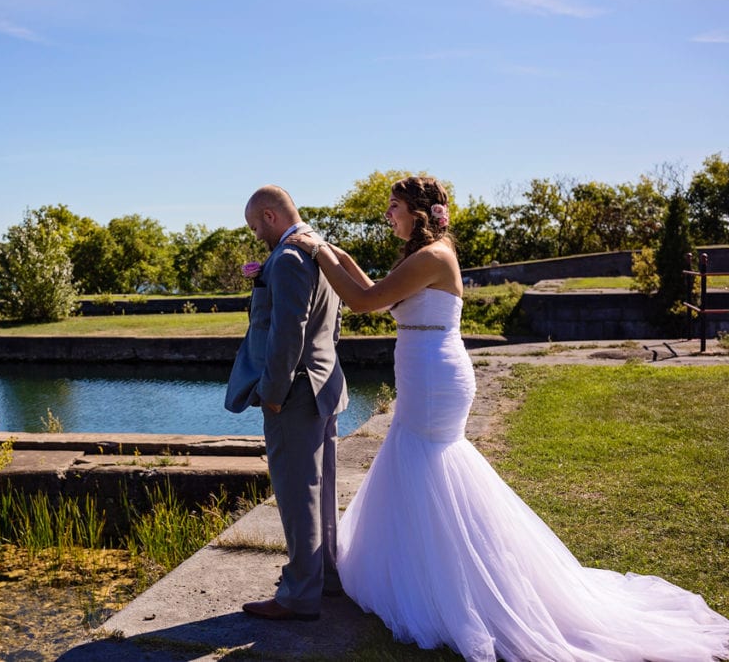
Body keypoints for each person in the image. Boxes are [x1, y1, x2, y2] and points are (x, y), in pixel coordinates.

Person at [287, 175, 729, 661]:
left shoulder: (434, 258)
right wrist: (329, 248)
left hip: (434, 379)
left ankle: (457, 583)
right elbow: (374, 288)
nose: (388, 214)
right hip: (427, 373)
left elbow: (364, 302)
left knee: (428, 464)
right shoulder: (422, 256)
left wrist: (316, 250)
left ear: (418, 213)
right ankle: (434, 569)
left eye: (393, 206)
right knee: (420, 466)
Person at [225, 184, 349, 621]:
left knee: (298, 496)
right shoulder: (317, 249)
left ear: (270, 216)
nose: (257, 234)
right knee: (320, 493)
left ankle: (298, 596)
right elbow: (330, 328)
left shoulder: (291, 257)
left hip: (294, 393)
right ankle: (327, 579)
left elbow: (287, 333)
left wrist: (273, 394)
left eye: (256, 225)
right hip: (323, 386)